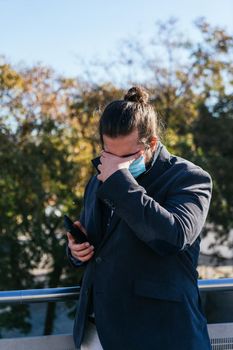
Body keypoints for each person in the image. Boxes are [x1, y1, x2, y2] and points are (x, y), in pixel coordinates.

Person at [67, 86, 212, 350]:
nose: (115, 164)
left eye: (127, 157)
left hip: (160, 334)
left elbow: (173, 237)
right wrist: (77, 250)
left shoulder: (189, 178)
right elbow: (102, 247)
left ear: (152, 143)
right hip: (97, 332)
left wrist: (119, 181)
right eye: (109, 154)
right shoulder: (99, 178)